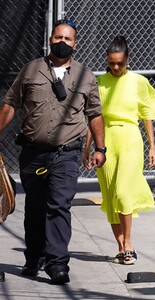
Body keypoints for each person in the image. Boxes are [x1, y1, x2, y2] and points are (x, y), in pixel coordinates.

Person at [0, 17, 106, 284]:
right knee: (35, 208)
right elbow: (10, 105)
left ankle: (58, 263)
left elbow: (95, 115)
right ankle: (33, 257)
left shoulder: (86, 76)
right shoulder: (31, 70)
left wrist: (100, 148)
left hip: (67, 154)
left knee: (59, 205)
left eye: (67, 39)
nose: (62, 43)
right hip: (33, 152)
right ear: (50, 40)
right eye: (58, 38)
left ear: (76, 44)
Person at [83, 35, 155, 265]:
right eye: (111, 63)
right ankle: (120, 247)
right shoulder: (100, 83)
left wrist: (152, 147)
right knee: (109, 195)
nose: (115, 67)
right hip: (105, 140)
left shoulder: (138, 81)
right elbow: (94, 117)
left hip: (129, 138)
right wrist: (87, 148)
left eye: (120, 63)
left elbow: (146, 114)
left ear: (128, 59)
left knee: (123, 192)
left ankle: (129, 244)